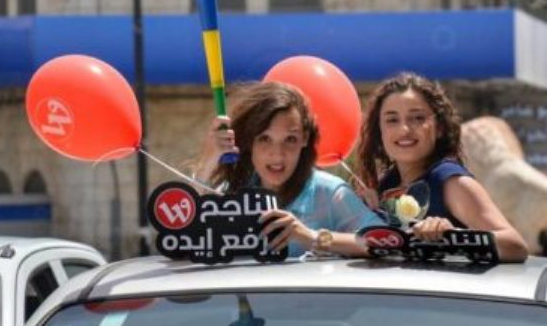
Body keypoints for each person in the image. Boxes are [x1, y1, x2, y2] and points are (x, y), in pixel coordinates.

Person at [193, 81, 382, 258]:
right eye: (265, 139)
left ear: (304, 138)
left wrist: (312, 237)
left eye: (290, 139)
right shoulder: (235, 192)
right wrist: (210, 159)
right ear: (249, 141)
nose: (277, 154)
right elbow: (189, 231)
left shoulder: (330, 193)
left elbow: (384, 240)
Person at [356, 72, 529, 262]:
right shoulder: (386, 185)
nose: (404, 130)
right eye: (392, 120)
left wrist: (451, 235)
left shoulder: (452, 183)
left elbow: (515, 246)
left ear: (438, 127)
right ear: (379, 130)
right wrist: (368, 213)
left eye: (417, 118)